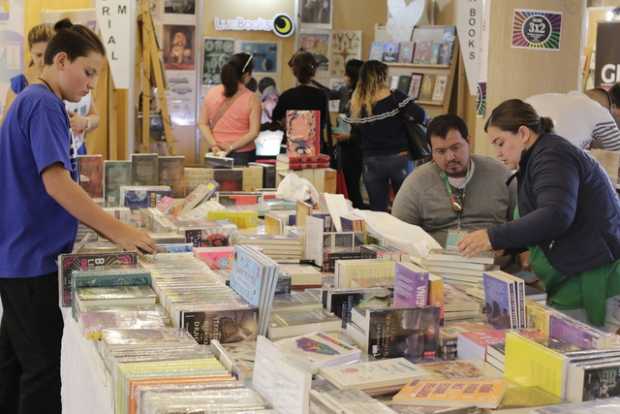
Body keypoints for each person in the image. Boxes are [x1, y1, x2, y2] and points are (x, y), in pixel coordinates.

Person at [0, 19, 156, 414]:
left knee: (14, 364)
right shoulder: (43, 104)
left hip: (19, 254)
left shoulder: (35, 100)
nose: (90, 85)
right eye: (88, 73)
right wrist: (118, 231)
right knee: (40, 371)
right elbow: (57, 183)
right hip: (32, 258)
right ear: (61, 60)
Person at [458, 99, 620, 328]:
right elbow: (539, 218)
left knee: (580, 354)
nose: (498, 153)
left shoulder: (553, 156)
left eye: (500, 143)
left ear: (523, 133)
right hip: (575, 274)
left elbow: (555, 214)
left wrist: (493, 236)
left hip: (593, 276)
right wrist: (508, 245)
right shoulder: (538, 156)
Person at [392, 114, 515, 247]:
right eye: (440, 151)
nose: (450, 157)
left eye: (456, 148)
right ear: (431, 151)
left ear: (468, 141)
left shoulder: (500, 174)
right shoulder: (416, 182)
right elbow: (398, 234)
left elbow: (524, 222)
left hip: (495, 263)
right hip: (438, 263)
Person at [346, 60, 426, 212]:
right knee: (406, 208)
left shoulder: (357, 104)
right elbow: (421, 116)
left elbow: (355, 135)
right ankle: (403, 236)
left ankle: (379, 237)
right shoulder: (396, 98)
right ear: (382, 77)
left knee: (377, 211)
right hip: (400, 158)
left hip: (371, 161)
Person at [198, 53, 261, 166]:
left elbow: (202, 123)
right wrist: (231, 147)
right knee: (244, 184)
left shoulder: (212, 93)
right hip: (243, 154)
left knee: (215, 184)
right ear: (246, 75)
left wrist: (214, 145)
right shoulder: (252, 98)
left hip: (216, 153)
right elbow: (254, 132)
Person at [272, 51, 331, 156]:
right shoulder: (321, 95)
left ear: (294, 71)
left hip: (291, 147)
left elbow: (275, 119)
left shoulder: (287, 95)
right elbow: (323, 122)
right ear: (313, 71)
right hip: (315, 147)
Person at [525, 90, 620, 151]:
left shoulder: (541, 98)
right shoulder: (600, 111)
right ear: (611, 107)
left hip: (518, 165)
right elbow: (618, 150)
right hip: (553, 169)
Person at [2, 23, 54, 121]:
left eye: (48, 54)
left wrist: (86, 122)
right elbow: (6, 122)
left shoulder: (63, 79)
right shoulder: (20, 82)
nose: (44, 60)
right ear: (30, 52)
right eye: (38, 55)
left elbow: (92, 114)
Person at [331, 59, 364, 209]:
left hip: (355, 149)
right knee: (346, 185)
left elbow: (365, 129)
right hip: (344, 146)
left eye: (346, 73)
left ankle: (356, 216)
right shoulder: (347, 92)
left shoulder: (363, 98)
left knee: (352, 186)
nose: (344, 77)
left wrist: (350, 136)